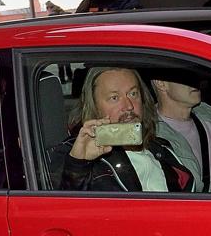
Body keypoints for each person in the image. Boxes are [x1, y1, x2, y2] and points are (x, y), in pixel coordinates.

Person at [52, 67, 193, 192]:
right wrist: (78, 164)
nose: (129, 106)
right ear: (94, 106)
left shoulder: (162, 148)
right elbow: (60, 209)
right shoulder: (73, 153)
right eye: (114, 98)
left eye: (133, 94)